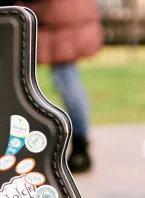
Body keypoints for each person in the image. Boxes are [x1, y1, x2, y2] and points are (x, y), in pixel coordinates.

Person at [16, 0, 103, 173]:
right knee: (67, 78)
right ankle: (80, 143)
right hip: (68, 17)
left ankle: (80, 146)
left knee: (66, 80)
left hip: (60, 19)